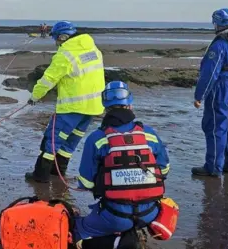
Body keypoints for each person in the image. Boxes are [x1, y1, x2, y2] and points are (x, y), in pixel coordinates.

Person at [73, 81, 170, 249]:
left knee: (75, 231)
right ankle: (132, 232)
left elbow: (86, 182)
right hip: (151, 213)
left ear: (104, 108)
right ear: (130, 105)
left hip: (114, 216)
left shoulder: (96, 138)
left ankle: (120, 242)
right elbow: (164, 169)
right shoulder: (150, 134)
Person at [25, 20, 105, 183]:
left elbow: (48, 79)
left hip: (71, 107)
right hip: (93, 107)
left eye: (56, 39)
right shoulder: (93, 48)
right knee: (71, 141)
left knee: (52, 140)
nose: (56, 43)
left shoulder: (65, 54)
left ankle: (41, 176)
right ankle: (58, 172)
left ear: (63, 37)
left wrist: (34, 97)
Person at [192, 8, 228, 177]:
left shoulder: (219, 45)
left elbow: (210, 73)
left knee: (215, 126)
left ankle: (213, 166)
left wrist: (199, 95)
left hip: (221, 87)